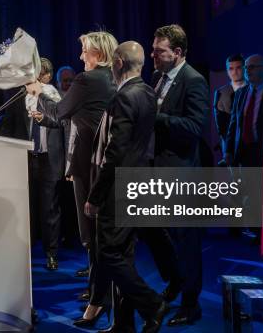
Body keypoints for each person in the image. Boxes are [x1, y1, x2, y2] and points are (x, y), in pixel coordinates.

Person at [26, 30, 117, 324]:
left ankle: (99, 297)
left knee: (91, 234)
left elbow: (61, 109)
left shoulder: (87, 79)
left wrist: (38, 91)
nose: (80, 57)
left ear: (99, 54)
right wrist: (47, 115)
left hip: (87, 165)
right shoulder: (111, 78)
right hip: (103, 163)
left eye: (85, 52)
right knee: (101, 233)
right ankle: (96, 291)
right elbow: (67, 116)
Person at [85, 41, 165, 333]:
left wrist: (95, 195)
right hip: (140, 183)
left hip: (119, 188)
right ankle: (123, 324)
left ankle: (152, 303)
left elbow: (114, 153)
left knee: (108, 254)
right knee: (124, 254)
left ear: (117, 63)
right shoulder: (147, 92)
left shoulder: (123, 97)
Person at [146, 24, 209, 326]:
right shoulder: (158, 78)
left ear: (178, 53)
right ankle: (175, 285)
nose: (152, 55)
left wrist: (156, 118)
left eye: (159, 51)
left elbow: (195, 128)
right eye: (153, 49)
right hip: (159, 172)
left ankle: (191, 304)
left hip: (182, 176)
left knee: (186, 242)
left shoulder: (193, 80)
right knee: (165, 237)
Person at [27, 58, 65, 271]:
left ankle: (51, 254)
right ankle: (25, 251)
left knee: (49, 208)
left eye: (37, 73)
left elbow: (60, 119)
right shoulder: (20, 97)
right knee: (27, 207)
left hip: (49, 159)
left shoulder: (52, 93)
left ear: (47, 76)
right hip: (27, 158)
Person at [225, 54, 263, 168]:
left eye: (252, 67)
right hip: (243, 152)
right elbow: (233, 123)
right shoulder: (241, 93)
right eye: (246, 67)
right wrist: (228, 150)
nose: (247, 71)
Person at [214, 54, 246, 164]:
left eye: (238, 68)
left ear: (244, 68)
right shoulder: (220, 93)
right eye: (231, 68)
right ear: (227, 71)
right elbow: (221, 125)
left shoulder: (254, 88)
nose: (234, 72)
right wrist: (228, 147)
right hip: (230, 145)